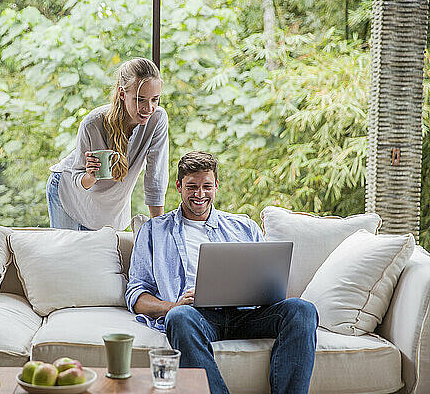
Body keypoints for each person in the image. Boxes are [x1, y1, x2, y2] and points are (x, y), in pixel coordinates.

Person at [125, 151, 318, 394]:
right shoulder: (154, 231)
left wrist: (263, 292)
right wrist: (172, 306)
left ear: (216, 186)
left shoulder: (244, 226)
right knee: (179, 317)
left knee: (302, 309)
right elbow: (136, 295)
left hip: (248, 315)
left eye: (207, 186)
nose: (199, 194)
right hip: (198, 318)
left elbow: (271, 281)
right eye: (192, 187)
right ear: (178, 186)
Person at [47, 58, 169, 231]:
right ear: (122, 93)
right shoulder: (93, 123)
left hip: (107, 208)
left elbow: (155, 178)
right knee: (66, 256)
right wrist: (91, 175)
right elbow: (78, 178)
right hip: (69, 194)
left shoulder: (157, 120)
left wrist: (159, 230)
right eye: (140, 99)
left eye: (155, 99)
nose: (148, 108)